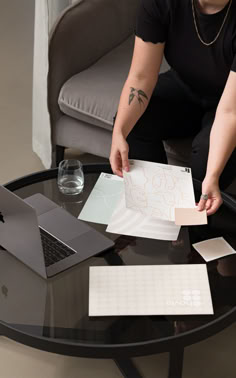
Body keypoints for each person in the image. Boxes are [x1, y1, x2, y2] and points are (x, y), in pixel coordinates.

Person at [109, 0, 236, 215]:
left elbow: (229, 111)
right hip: (185, 84)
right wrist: (119, 132)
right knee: (131, 125)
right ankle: (156, 212)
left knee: (206, 162)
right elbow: (140, 77)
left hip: (229, 101)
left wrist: (212, 175)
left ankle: (191, 226)